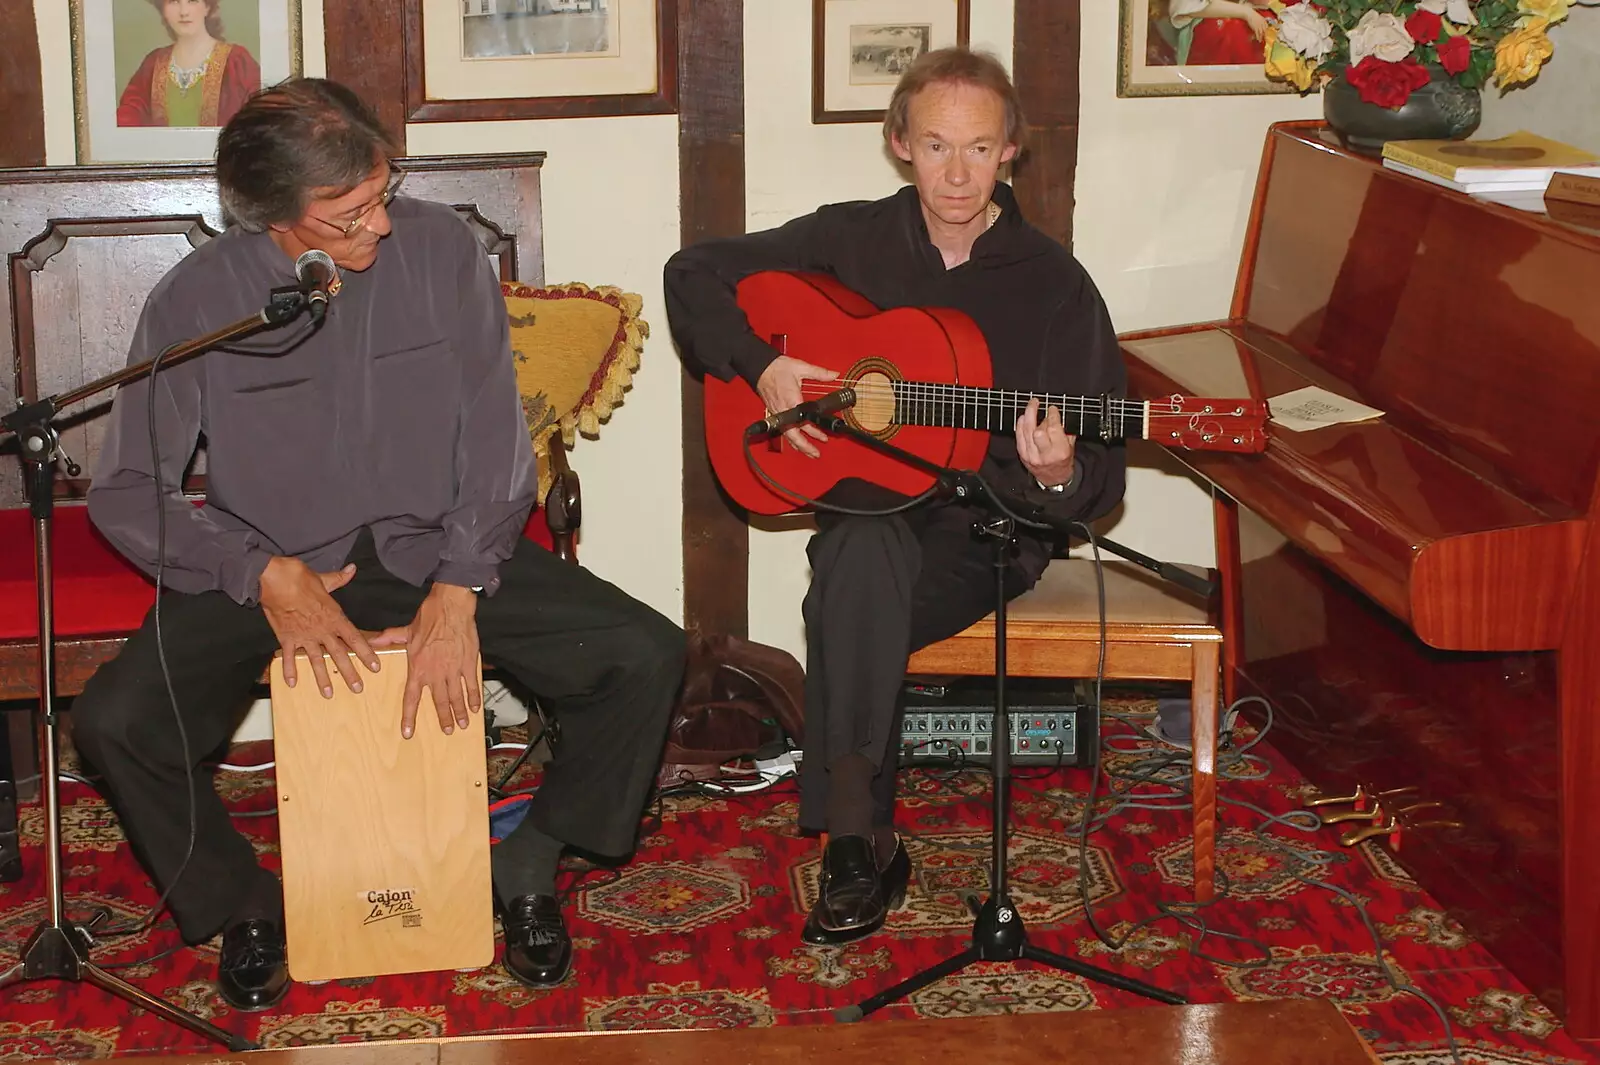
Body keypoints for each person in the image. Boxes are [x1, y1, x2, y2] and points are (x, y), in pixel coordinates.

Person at [73, 77, 684, 1009]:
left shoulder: (443, 252)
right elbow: (125, 490)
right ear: (272, 220)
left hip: (434, 548)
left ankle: (527, 863)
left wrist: (460, 586)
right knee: (117, 721)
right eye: (347, 216)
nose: (381, 228)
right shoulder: (199, 298)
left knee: (642, 655)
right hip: (272, 569)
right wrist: (257, 570)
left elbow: (494, 439)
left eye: (383, 195)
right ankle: (246, 904)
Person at [663, 48, 1126, 945]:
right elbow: (694, 272)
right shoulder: (850, 238)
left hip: (986, 525)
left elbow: (1091, 486)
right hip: (866, 507)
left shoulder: (1055, 284)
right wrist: (762, 368)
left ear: (1011, 153)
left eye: (980, 148)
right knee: (859, 545)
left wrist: (1054, 469)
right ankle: (855, 837)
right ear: (898, 143)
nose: (958, 172)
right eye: (938, 145)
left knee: (848, 592)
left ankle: (854, 840)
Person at [117, 0, 261, 128]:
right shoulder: (153, 64)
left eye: (192, 1)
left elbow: (263, 115)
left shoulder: (236, 61)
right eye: (173, 2)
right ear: (163, 10)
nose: (183, 12)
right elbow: (127, 117)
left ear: (207, 7)